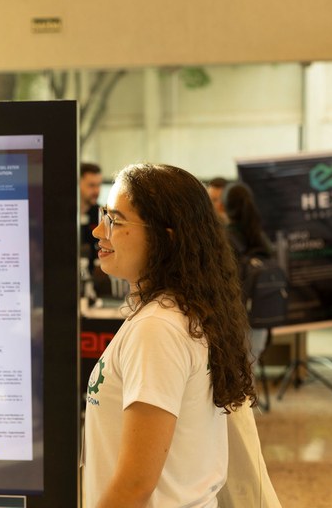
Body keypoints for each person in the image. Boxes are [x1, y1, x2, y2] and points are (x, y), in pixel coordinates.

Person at [84, 163, 256, 507]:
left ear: (166, 237)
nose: (98, 231)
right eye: (105, 214)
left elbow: (135, 485)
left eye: (115, 221)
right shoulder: (181, 312)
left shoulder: (157, 329)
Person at [223, 181, 275, 362]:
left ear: (224, 206)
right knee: (249, 378)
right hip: (260, 317)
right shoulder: (260, 236)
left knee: (239, 382)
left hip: (234, 319)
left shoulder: (223, 238)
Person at [79, 162, 103, 281]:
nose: (96, 191)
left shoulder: (101, 215)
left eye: (99, 185)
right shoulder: (63, 214)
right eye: (91, 185)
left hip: (92, 279)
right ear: (78, 183)